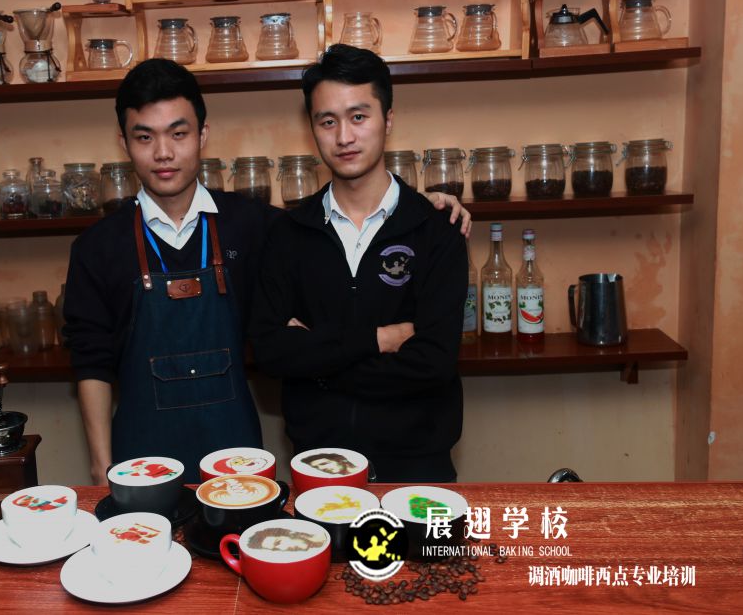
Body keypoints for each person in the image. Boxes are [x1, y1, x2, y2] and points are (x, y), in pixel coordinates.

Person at [64, 58, 471, 485]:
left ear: (202, 135)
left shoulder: (256, 224)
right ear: (124, 142)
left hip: (239, 453)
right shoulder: (98, 246)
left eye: (178, 134)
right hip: (142, 453)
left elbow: (432, 354)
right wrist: (100, 464)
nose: (163, 153)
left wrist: (424, 207)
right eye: (145, 137)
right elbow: (92, 359)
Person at [249, 44, 470, 483]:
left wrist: (317, 365)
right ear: (312, 129)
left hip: (418, 467)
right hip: (317, 466)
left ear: (388, 119)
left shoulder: (436, 228)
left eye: (358, 116)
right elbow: (270, 352)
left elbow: (433, 362)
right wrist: (379, 340)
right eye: (327, 121)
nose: (344, 137)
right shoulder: (289, 233)